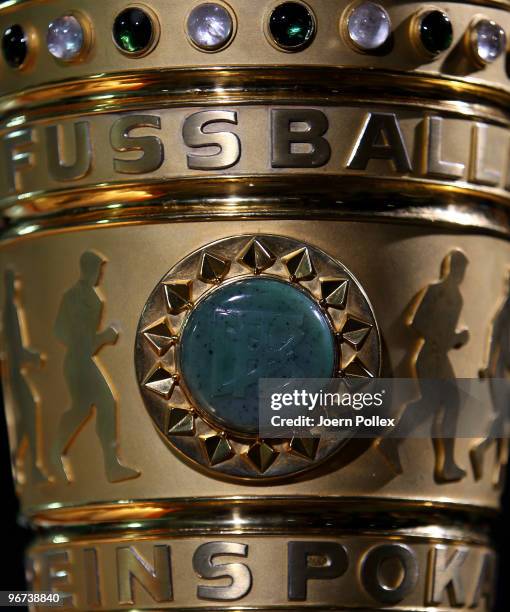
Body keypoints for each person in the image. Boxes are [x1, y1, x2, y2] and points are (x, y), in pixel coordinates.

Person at [379, 250, 469, 482]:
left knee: (447, 403)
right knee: (432, 403)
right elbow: (416, 323)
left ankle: (446, 463)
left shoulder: (457, 298)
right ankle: (393, 441)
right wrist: (443, 337)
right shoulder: (435, 291)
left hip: (440, 357)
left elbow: (446, 335)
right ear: (451, 268)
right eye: (460, 269)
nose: (462, 274)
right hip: (428, 356)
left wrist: (457, 338)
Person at [51, 251, 139, 483]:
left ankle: (110, 465)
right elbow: (60, 331)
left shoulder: (95, 298)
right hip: (77, 363)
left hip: (82, 360)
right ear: (88, 268)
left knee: (97, 406)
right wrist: (104, 338)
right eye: (99, 269)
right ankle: (56, 452)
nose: (100, 274)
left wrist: (94, 340)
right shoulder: (73, 297)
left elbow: (73, 335)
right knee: (86, 408)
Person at [2, 269, 47, 485]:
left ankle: (22, 465)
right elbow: (14, 347)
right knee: (29, 410)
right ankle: (29, 466)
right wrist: (32, 356)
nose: (16, 287)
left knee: (25, 418)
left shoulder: (11, 308)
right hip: (16, 375)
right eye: (13, 283)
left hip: (16, 374)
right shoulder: (10, 309)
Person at [471, 273, 510, 488]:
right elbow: (494, 336)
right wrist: (486, 364)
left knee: (505, 420)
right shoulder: (504, 309)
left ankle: (499, 467)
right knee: (503, 417)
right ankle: (485, 451)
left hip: (504, 371)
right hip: (500, 371)